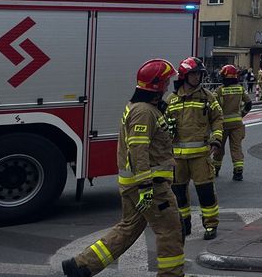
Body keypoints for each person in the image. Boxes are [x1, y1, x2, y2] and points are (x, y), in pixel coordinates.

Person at [62, 60, 184, 277]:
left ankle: (82, 265)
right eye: (165, 82)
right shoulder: (144, 112)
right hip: (151, 187)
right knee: (170, 230)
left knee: (128, 228)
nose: (168, 86)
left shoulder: (144, 109)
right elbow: (139, 149)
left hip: (136, 186)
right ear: (156, 86)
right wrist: (146, 185)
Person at [167, 57, 223, 240]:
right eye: (193, 74)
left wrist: (216, 140)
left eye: (199, 74)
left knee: (206, 192)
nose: (197, 77)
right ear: (184, 76)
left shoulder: (208, 97)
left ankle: (210, 225)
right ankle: (184, 224)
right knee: (179, 195)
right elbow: (162, 126)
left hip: (200, 155)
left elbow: (217, 119)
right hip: (177, 158)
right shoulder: (171, 100)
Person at [213, 65, 252, 181]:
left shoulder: (220, 90)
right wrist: (241, 114)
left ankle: (216, 169)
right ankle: (238, 172)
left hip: (222, 124)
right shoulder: (240, 89)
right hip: (237, 124)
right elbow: (249, 104)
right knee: (236, 148)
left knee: (219, 148)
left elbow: (213, 106)